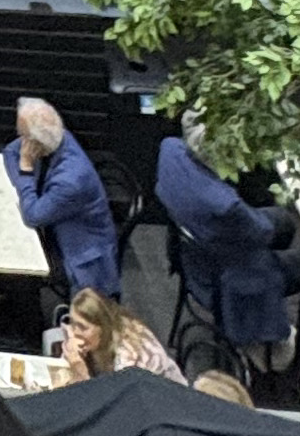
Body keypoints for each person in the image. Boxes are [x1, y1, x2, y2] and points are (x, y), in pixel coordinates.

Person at [156, 119, 299, 370]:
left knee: (284, 221)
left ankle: (264, 305)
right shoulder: (225, 205)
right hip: (221, 273)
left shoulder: (170, 149)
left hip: (190, 250)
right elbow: (262, 232)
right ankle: (296, 356)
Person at [10, 96, 120, 299]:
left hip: (78, 253)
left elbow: (33, 215)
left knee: (15, 264)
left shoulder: (71, 181)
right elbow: (9, 152)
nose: (20, 141)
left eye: (23, 136)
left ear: (36, 144)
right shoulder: (56, 137)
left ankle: (25, 313)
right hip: (55, 226)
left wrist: (25, 170)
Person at [65, 287, 184, 385]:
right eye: (72, 323)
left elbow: (112, 403)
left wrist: (80, 371)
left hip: (166, 396)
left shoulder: (127, 360)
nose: (75, 332)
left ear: (103, 327)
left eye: (82, 327)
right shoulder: (110, 330)